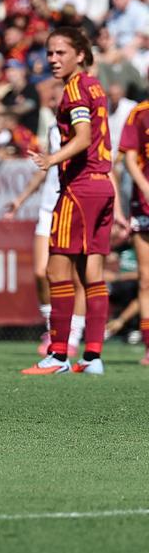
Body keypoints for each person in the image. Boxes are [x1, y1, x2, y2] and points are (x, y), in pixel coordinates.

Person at [21, 27, 127, 375]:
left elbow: (82, 137)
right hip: (103, 186)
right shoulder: (95, 84)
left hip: (80, 188)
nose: (52, 59)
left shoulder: (77, 88)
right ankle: (93, 357)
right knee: (92, 274)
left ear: (80, 54)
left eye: (60, 52)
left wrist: (52, 159)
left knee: (56, 269)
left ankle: (58, 354)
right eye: (50, 53)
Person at [4, 106, 87, 358]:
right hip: (48, 207)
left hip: (75, 204)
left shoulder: (85, 129)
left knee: (76, 276)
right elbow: (47, 168)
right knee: (42, 271)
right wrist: (20, 199)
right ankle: (53, 330)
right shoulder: (53, 129)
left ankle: (73, 334)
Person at [118, 98, 149, 365]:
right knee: (146, 278)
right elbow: (129, 157)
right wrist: (145, 187)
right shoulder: (139, 113)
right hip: (144, 204)